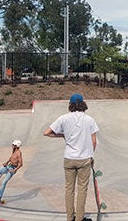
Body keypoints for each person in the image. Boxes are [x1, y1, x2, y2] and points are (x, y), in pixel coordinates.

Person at [43, 93, 99, 221]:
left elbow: (47, 133)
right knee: (82, 189)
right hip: (84, 159)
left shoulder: (63, 118)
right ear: (83, 104)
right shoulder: (89, 120)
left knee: (69, 189)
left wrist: (62, 135)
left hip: (69, 159)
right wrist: (91, 156)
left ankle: (70, 218)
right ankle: (79, 218)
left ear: (71, 105)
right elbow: (94, 140)